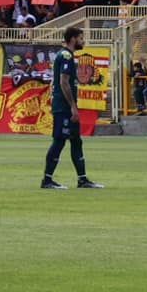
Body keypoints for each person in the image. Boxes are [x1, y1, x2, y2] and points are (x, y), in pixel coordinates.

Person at [42, 26, 102, 190]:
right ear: (73, 38)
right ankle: (47, 180)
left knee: (76, 140)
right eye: (81, 38)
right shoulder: (66, 56)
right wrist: (73, 107)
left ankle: (82, 179)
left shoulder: (66, 56)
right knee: (59, 141)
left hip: (64, 105)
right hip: (64, 107)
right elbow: (63, 82)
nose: (83, 41)